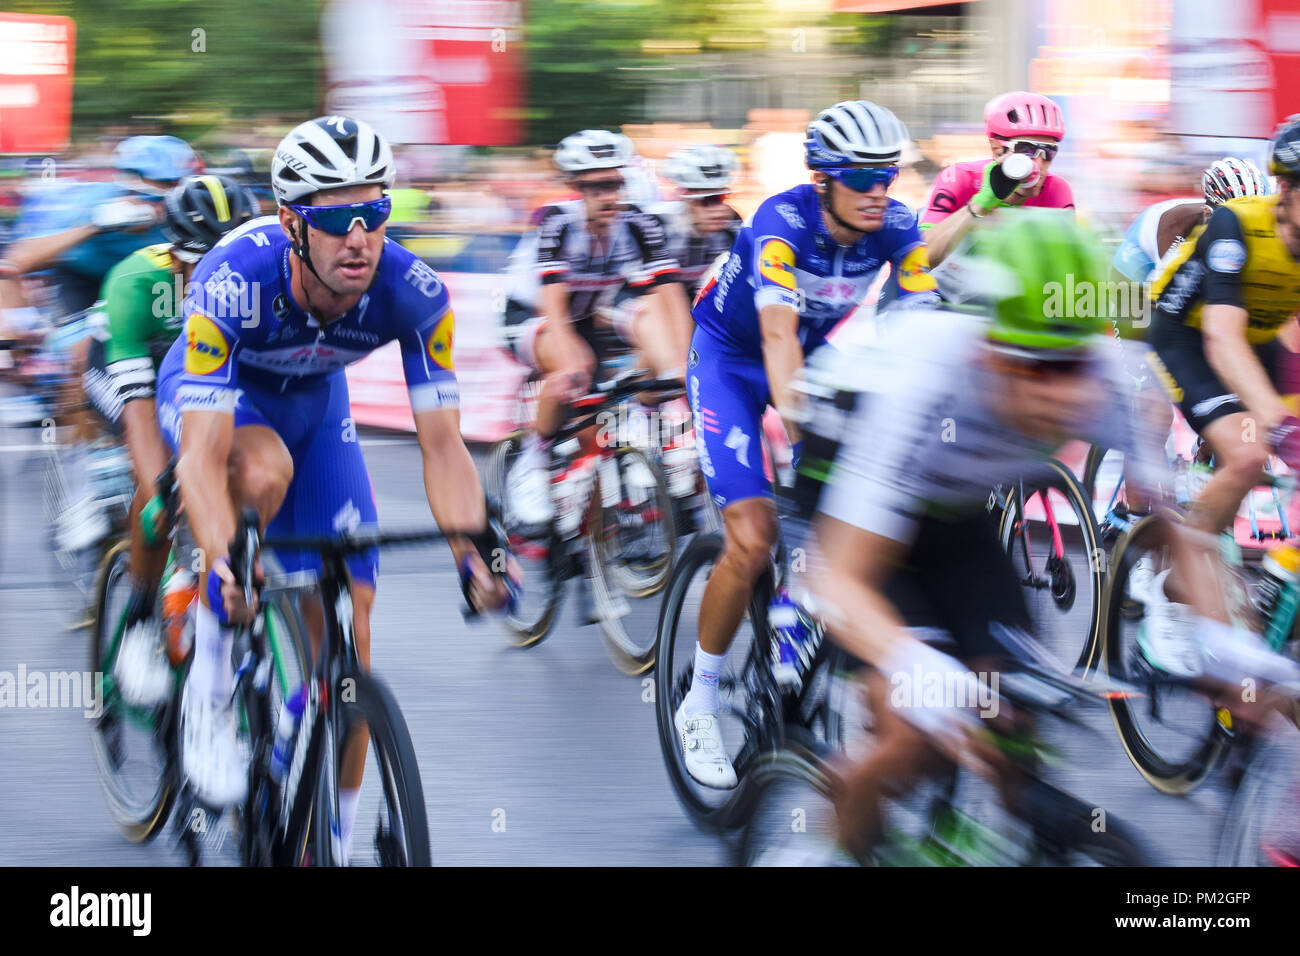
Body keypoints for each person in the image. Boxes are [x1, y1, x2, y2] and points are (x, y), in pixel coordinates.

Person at [809, 210, 1289, 862]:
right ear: (984, 348)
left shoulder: (1106, 374)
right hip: (848, 503)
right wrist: (915, 665)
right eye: (1033, 366)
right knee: (907, 731)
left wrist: (1221, 640)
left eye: (1071, 363)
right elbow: (839, 579)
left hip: (954, 511)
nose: (1060, 392)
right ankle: (826, 848)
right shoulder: (925, 374)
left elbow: (1172, 530)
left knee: (1013, 726)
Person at [156, 116, 511, 862]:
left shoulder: (413, 293)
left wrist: (477, 556)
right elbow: (200, 459)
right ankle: (212, 694)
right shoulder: (234, 281)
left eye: (374, 213)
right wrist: (225, 555)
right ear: (291, 223)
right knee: (259, 476)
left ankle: (334, 843)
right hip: (223, 407)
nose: (359, 237)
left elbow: (443, 446)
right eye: (335, 218)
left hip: (318, 408)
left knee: (352, 636)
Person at [677, 99, 939, 788]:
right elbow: (776, 338)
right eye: (862, 177)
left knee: (866, 521)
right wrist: (803, 444)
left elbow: (920, 331)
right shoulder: (779, 225)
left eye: (889, 174)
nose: (880, 190)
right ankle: (699, 699)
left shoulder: (897, 227)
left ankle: (808, 626)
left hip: (815, 359)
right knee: (755, 535)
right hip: (732, 361)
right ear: (823, 179)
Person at [81, 175, 256, 708]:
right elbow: (137, 408)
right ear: (176, 258)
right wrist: (161, 488)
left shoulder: (254, 283)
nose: (217, 277)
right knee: (160, 485)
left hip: (194, 373)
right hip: (124, 370)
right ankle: (137, 615)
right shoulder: (138, 282)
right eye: (202, 265)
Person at [1140, 118, 1300, 673]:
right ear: (1285, 190)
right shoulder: (1236, 225)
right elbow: (1222, 339)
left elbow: (1292, 336)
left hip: (1260, 340)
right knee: (1252, 450)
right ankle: (1175, 581)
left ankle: (1275, 583)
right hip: (1187, 334)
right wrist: (1277, 421)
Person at [500, 129, 692, 532]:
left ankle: (585, 529)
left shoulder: (637, 222)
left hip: (583, 316)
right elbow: (553, 310)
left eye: (616, 183)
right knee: (575, 367)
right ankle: (531, 461)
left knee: (596, 432)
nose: (610, 196)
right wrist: (573, 364)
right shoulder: (557, 223)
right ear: (575, 187)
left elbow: (670, 296)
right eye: (598, 187)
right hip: (529, 312)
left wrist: (681, 367)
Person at [919, 91, 1074, 267]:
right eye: (1025, 150)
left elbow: (1066, 267)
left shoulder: (1057, 189)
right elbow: (921, 259)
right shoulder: (959, 177)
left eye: (1048, 152)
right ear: (996, 149)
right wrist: (984, 201)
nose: (1038, 164)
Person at [1113, 156, 1270, 284]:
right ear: (1208, 214)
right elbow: (1167, 290)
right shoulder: (1177, 225)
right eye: (1237, 217)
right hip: (1140, 261)